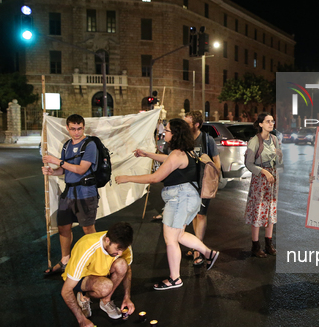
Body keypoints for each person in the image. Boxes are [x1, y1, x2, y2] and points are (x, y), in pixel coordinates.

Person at [115, 118, 220, 290]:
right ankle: (209, 253)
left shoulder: (177, 155)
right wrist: (147, 154)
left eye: (168, 130)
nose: (165, 132)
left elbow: (155, 177)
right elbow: (168, 158)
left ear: (176, 134)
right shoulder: (187, 152)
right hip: (188, 198)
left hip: (180, 199)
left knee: (170, 239)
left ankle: (175, 278)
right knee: (178, 235)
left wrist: (127, 178)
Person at [42, 114, 98, 275]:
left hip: (86, 192)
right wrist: (52, 171)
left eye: (79, 128)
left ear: (83, 127)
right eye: (73, 129)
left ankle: (94, 262)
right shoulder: (67, 145)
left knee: (88, 228)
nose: (76, 132)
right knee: (63, 227)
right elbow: (64, 169)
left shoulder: (90, 145)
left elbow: (81, 169)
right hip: (69, 192)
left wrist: (57, 161)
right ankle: (65, 260)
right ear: (67, 128)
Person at [61, 222, 134, 327]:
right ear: (107, 240)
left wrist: (127, 297)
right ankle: (84, 296)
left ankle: (106, 301)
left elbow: (127, 270)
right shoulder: (87, 247)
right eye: (118, 249)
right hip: (81, 277)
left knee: (122, 265)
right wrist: (81, 320)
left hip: (101, 271)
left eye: (122, 249)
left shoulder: (123, 245)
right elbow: (66, 290)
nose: (120, 253)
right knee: (105, 286)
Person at [183, 110, 221, 266]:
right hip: (188, 183)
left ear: (196, 125)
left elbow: (217, 163)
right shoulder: (184, 139)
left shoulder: (207, 140)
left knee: (201, 215)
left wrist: (211, 171)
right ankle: (196, 245)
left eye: (187, 123)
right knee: (193, 214)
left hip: (203, 184)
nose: (185, 126)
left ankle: (198, 250)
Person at [245, 112, 282, 258]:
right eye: (267, 121)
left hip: (273, 177)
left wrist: (279, 166)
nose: (271, 124)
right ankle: (255, 245)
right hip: (260, 179)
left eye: (272, 121)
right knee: (259, 210)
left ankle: (269, 244)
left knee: (271, 210)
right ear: (260, 124)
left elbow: (279, 159)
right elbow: (248, 163)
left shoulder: (274, 139)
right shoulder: (254, 141)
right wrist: (264, 173)